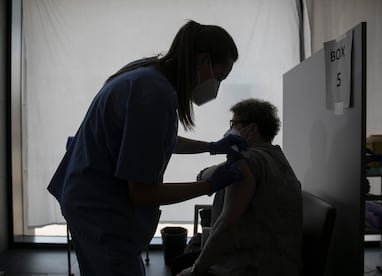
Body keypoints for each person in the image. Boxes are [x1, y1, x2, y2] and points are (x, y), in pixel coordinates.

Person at [47, 20, 247, 276]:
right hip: (101, 213)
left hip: (89, 202)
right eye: (219, 76)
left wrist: (212, 147)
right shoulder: (153, 93)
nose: (217, 86)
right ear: (202, 61)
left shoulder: (148, 77)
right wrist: (209, 186)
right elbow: (141, 192)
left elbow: (154, 140)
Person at [176, 98, 302, 276]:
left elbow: (226, 225)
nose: (229, 129)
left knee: (180, 266)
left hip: (249, 266)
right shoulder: (278, 158)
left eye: (233, 124)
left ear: (251, 129)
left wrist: (196, 270)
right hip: (282, 264)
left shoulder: (246, 163)